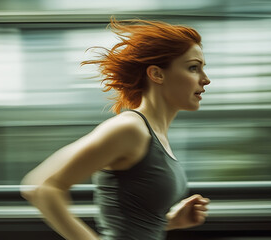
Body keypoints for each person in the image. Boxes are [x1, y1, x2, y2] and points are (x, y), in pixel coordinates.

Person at [20, 17, 211, 240]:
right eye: (193, 68)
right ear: (157, 74)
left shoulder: (154, 134)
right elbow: (42, 188)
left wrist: (169, 222)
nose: (205, 80)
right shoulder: (130, 129)